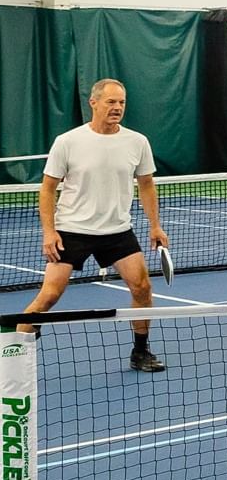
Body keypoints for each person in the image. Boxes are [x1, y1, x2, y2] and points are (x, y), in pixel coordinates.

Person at [21, 79, 170, 371]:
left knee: (142, 288)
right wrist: (49, 232)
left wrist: (155, 226)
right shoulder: (68, 142)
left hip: (117, 232)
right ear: (94, 103)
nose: (117, 108)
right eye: (111, 102)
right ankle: (12, 345)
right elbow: (48, 188)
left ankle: (140, 352)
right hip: (71, 231)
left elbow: (147, 185)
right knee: (50, 294)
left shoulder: (137, 142)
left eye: (122, 103)